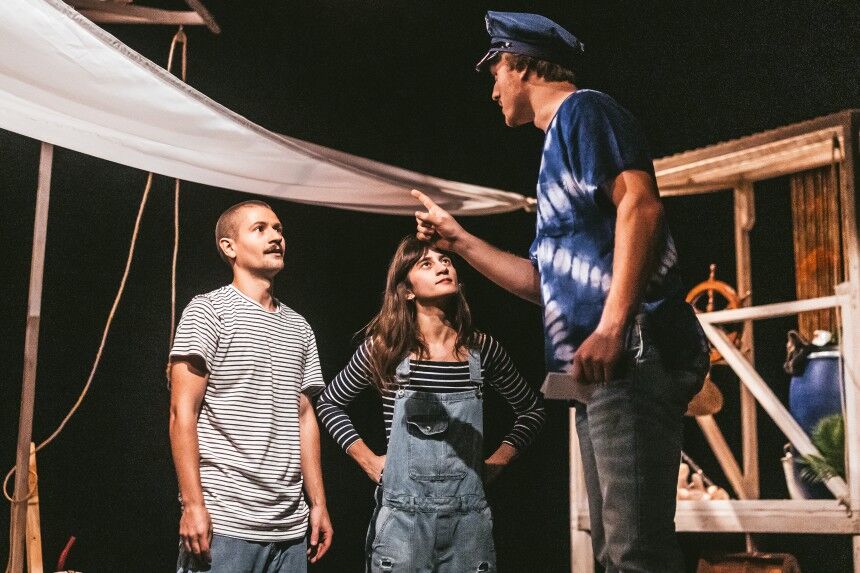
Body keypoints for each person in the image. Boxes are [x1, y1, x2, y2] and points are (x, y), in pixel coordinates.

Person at [411, 11, 709, 573]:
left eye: (496, 71)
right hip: (599, 371)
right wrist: (459, 242)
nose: (493, 89)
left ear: (522, 66)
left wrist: (612, 327)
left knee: (636, 552)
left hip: (629, 354)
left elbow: (641, 205)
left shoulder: (583, 111)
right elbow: (544, 283)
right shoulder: (555, 150)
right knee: (614, 553)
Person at [316, 235, 545, 572]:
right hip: (403, 521)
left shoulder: (480, 350)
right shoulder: (386, 349)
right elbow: (329, 403)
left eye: (446, 261)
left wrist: (498, 461)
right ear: (407, 290)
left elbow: (532, 409)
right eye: (426, 263)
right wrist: (367, 460)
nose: (442, 267)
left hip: (467, 523)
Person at [168, 200, 333, 572]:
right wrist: (192, 505)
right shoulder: (208, 311)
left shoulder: (299, 327)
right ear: (229, 247)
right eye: (260, 229)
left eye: (278, 229)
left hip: (290, 529)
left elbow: (304, 416)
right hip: (226, 523)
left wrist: (318, 503)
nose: (275, 237)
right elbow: (182, 412)